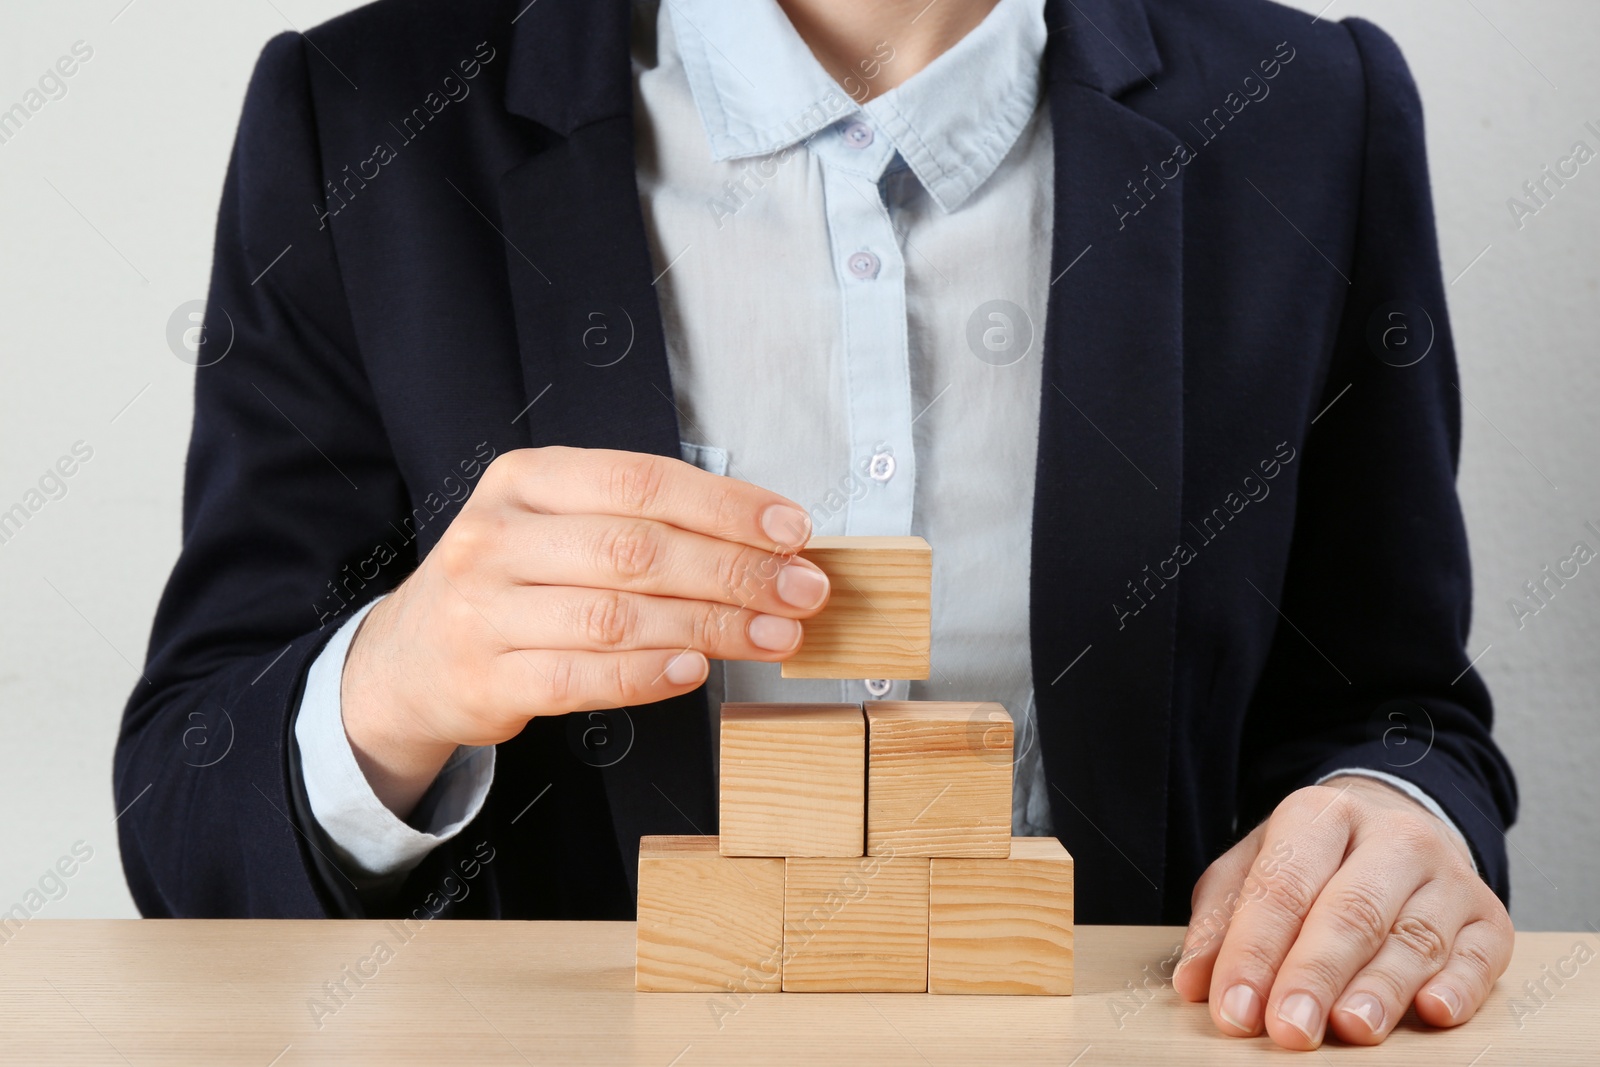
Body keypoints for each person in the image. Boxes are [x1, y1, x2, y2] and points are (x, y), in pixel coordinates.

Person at [116, 0, 1517, 1050]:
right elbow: (187, 827)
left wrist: (1389, 815)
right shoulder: (366, 112)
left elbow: (1401, 710)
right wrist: (395, 687)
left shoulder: (1309, 108)